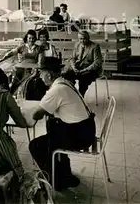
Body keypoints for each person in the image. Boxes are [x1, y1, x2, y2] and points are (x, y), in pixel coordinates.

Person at [29, 57, 96, 191]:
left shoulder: (56, 90)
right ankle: (65, 175)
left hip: (80, 136)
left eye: (41, 73)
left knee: (36, 145)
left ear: (48, 74)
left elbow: (36, 115)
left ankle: (56, 181)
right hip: (87, 130)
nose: (40, 77)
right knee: (52, 133)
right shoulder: (64, 82)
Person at [68, 30, 103, 96]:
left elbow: (97, 63)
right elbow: (72, 58)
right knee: (67, 74)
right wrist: (73, 67)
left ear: (88, 38)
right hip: (79, 67)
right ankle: (71, 94)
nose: (82, 40)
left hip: (90, 69)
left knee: (83, 78)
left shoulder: (95, 46)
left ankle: (80, 96)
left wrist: (84, 70)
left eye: (84, 38)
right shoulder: (77, 44)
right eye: (80, 39)